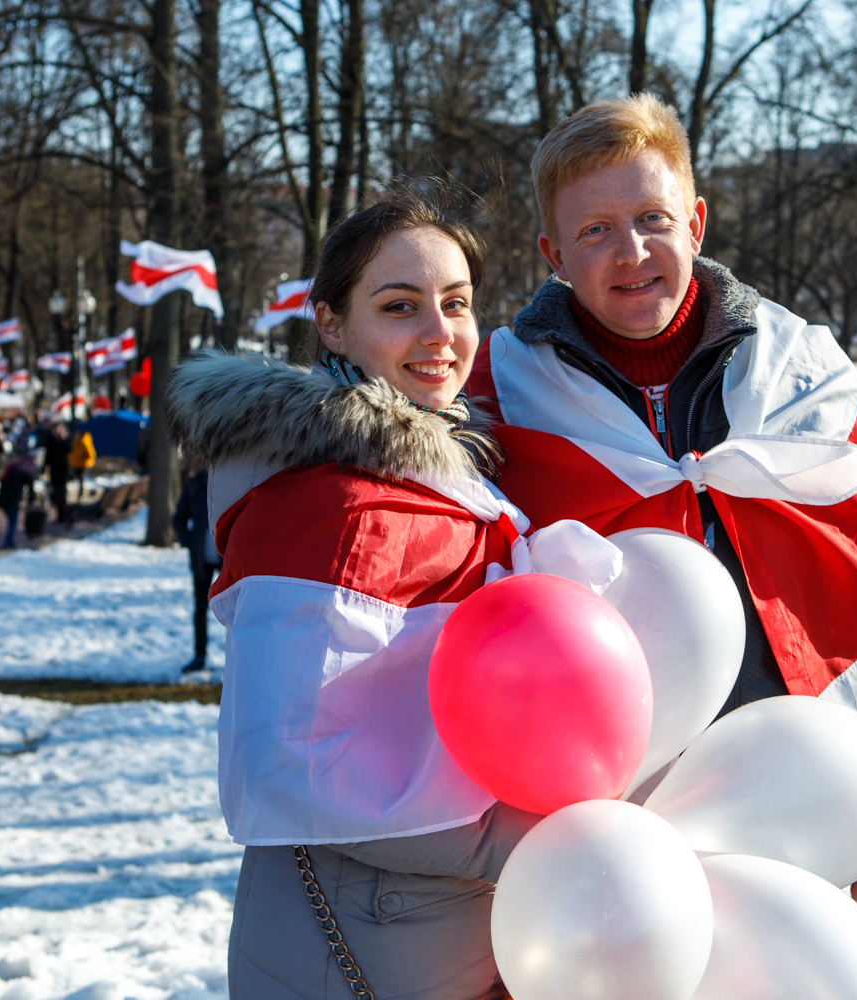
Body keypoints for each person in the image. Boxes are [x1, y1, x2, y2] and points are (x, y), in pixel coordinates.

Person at [465, 95, 857, 930]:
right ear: (552, 253)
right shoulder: (501, 395)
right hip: (603, 812)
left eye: (652, 218)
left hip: (795, 786)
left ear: (695, 221)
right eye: (595, 231)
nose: (632, 252)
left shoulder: (803, 375)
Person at [168, 195, 562, 999]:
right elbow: (298, 761)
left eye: (456, 303)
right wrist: (530, 841)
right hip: (357, 945)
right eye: (399, 306)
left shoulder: (450, 473)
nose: (439, 332)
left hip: (430, 930)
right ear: (332, 325)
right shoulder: (332, 506)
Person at [171, 463, 222, 674]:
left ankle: (235, 658)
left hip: (226, 560)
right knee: (200, 610)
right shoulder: (195, 485)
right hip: (201, 560)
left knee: (236, 611)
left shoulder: (230, 484)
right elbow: (178, 519)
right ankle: (199, 656)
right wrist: (190, 542)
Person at [0, 447, 38, 549]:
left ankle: (9, 541)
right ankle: (8, 542)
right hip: (11, 499)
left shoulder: (15, 467)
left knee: (12, 520)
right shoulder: (26, 471)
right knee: (13, 521)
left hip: (4, 497)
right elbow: (31, 489)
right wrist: (31, 502)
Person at [43, 421, 73, 524]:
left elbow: (69, 449)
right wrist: (44, 467)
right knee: (56, 492)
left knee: (62, 491)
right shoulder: (50, 440)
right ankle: (59, 514)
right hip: (54, 469)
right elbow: (48, 455)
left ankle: (64, 513)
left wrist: (63, 438)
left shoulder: (65, 439)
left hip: (63, 469)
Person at [69, 425, 96, 500]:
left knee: (81, 479)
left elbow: (91, 455)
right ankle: (80, 493)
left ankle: (82, 494)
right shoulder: (74, 442)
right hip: (75, 464)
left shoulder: (84, 442)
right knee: (77, 479)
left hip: (84, 465)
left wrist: (83, 460)